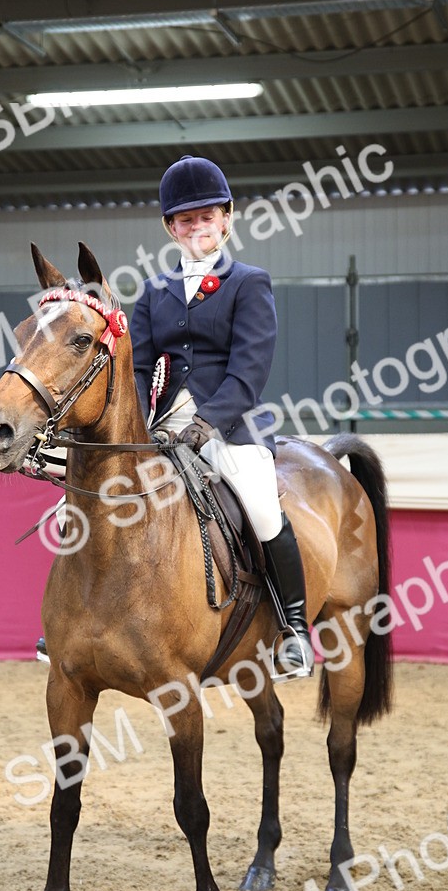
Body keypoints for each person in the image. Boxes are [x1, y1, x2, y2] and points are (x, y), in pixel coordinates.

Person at [129, 154, 314, 679]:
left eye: (206, 216)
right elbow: (137, 366)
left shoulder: (249, 282)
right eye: (185, 219)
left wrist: (207, 422)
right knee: (96, 498)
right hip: (164, 424)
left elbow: (249, 370)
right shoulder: (152, 292)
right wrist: (138, 423)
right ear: (170, 228)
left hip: (230, 425)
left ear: (226, 219)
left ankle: (295, 629)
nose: (197, 227)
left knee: (261, 508)